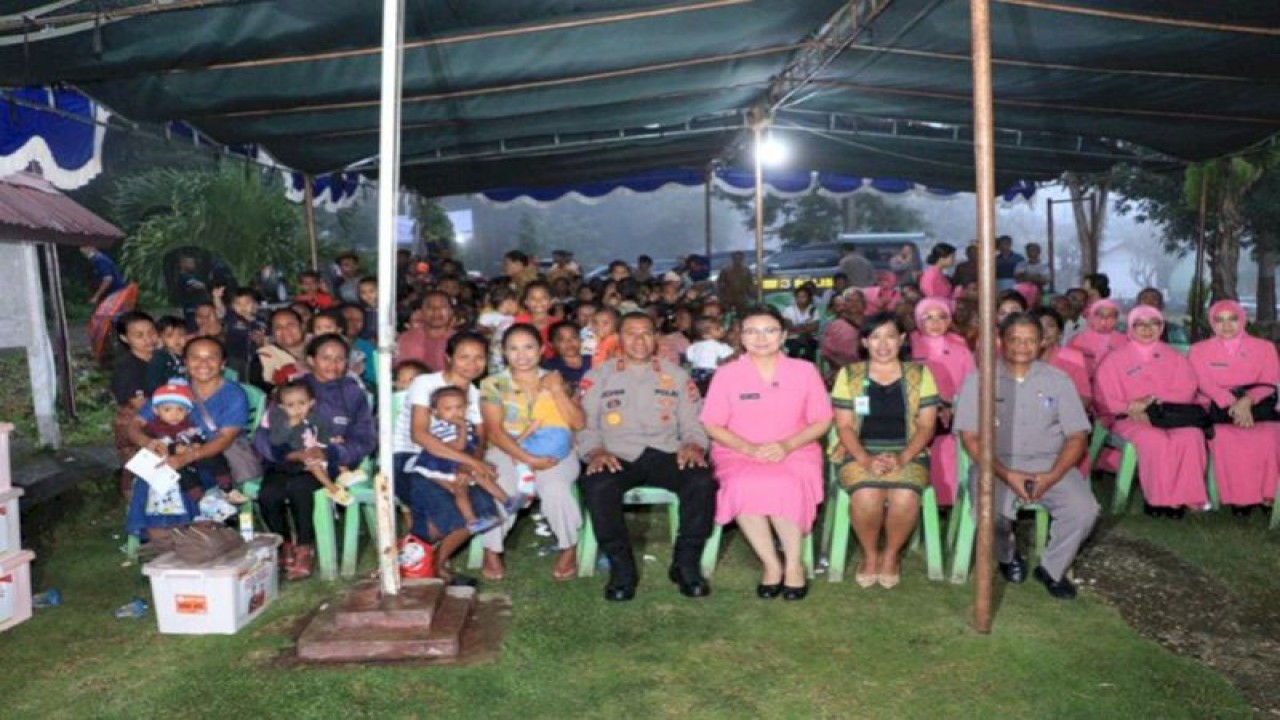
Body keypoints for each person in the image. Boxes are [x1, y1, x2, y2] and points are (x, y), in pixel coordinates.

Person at [954, 312, 1098, 600]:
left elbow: (1077, 436)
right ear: (1000, 342)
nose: (1022, 347)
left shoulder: (1059, 380)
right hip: (995, 463)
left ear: (1042, 342)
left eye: (1030, 340)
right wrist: (1007, 474)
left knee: (1084, 510)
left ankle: (1052, 568)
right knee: (989, 514)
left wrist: (1051, 477)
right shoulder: (980, 379)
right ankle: (1008, 555)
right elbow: (970, 436)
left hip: (1049, 463)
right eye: (1015, 340)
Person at [578, 312, 715, 601]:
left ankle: (685, 563)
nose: (639, 340)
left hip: (665, 452)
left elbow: (693, 424)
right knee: (598, 485)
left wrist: (693, 445)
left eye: (646, 333)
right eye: (631, 333)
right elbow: (584, 426)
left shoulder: (676, 376)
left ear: (656, 338)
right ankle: (622, 569)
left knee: (701, 480)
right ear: (618, 338)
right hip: (616, 454)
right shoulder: (598, 377)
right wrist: (595, 452)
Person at [701, 306, 832, 600]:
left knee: (785, 485)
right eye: (752, 331)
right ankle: (772, 564)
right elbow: (711, 423)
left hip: (796, 449)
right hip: (738, 452)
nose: (761, 338)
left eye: (769, 330)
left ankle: (794, 566)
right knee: (743, 486)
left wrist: (785, 446)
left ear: (784, 335)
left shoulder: (804, 371)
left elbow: (822, 420)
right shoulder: (727, 374)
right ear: (741, 337)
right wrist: (749, 448)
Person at [830, 312, 939, 589]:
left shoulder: (920, 374)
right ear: (864, 342)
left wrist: (902, 457)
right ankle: (869, 555)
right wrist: (865, 459)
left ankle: (890, 556)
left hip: (908, 451)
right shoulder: (849, 375)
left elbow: (926, 427)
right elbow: (844, 427)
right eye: (875, 337)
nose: (883, 344)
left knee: (904, 496)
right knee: (867, 495)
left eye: (890, 336)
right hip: (857, 451)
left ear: (901, 339)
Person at [253, 334, 375, 579]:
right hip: (287, 459)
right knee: (269, 493)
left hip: (327, 463)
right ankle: (284, 544)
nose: (333, 364)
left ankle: (305, 548)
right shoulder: (291, 389)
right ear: (310, 360)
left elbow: (366, 439)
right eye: (326, 358)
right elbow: (264, 434)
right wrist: (287, 454)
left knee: (301, 488)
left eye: (340, 358)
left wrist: (332, 451)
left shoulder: (353, 394)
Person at [479, 324, 585, 582]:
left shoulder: (555, 378)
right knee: (503, 486)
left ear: (541, 350)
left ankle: (568, 546)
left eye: (529, 347)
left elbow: (577, 423)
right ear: (504, 352)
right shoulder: (493, 384)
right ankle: (491, 548)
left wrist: (557, 390)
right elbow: (494, 432)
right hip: (507, 448)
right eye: (513, 348)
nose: (522, 355)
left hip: (554, 449)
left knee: (556, 489)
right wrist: (527, 459)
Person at [393, 332, 497, 585]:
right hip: (410, 459)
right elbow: (420, 436)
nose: (472, 364)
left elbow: (479, 440)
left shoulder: (474, 394)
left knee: (485, 509)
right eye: (464, 357)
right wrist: (471, 463)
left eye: (479, 358)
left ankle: (430, 564)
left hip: (452, 463)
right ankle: (415, 564)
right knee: (447, 508)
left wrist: (466, 465)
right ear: (449, 357)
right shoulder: (425, 384)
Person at [1093, 306, 1208, 517]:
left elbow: (1186, 389)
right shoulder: (1114, 359)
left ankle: (1185, 499)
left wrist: (1151, 404)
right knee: (1154, 440)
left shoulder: (1175, 357)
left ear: (1161, 327)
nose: (1147, 329)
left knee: (1191, 436)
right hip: (1128, 418)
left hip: (1170, 416)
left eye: (1153, 323)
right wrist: (1130, 408)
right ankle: (1159, 500)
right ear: (1130, 327)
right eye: (1140, 324)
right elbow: (1105, 396)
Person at [1190, 300, 1279, 516]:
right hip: (1218, 407)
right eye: (1219, 320)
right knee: (1228, 438)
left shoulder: (1264, 348)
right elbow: (1202, 382)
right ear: (1212, 323)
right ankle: (1240, 499)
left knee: (1269, 435)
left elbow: (1270, 380)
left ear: (1243, 320)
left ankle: (1269, 495)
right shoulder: (1199, 350)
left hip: (1256, 405)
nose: (1226, 325)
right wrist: (1233, 404)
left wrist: (1247, 401)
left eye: (1233, 319)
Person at [405, 386, 516, 533]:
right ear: (435, 412)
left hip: (457, 464)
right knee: (460, 489)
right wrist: (462, 429)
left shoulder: (466, 425)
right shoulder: (440, 428)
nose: (455, 413)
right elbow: (458, 447)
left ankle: (507, 501)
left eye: (459, 408)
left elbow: (472, 447)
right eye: (448, 409)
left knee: (481, 477)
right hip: (438, 467)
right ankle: (472, 521)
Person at [909, 298, 975, 506]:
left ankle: (952, 504)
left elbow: (971, 387)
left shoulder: (962, 351)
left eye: (942, 317)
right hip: (918, 421)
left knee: (951, 465)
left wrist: (953, 407)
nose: (935, 323)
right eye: (928, 318)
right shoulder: (908, 350)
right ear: (919, 321)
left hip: (953, 420)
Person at [125, 382, 205, 542]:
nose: (174, 414)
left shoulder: (189, 428)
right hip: (158, 468)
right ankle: (156, 534)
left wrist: (191, 448)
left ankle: (181, 530)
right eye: (167, 410)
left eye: (180, 410)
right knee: (149, 485)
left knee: (179, 484)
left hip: (185, 467)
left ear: (187, 411)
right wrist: (150, 445)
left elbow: (198, 444)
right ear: (156, 411)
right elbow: (140, 437)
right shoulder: (152, 428)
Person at [264, 380, 362, 508]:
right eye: (290, 405)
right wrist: (289, 426)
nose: (297, 409)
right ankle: (333, 489)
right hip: (300, 460)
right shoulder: (283, 423)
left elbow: (321, 435)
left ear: (311, 403)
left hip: (315, 450)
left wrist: (332, 440)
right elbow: (277, 441)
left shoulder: (313, 419)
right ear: (282, 408)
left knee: (336, 454)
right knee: (315, 465)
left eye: (302, 403)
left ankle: (344, 474)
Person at [111, 312, 159, 497]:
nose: (148, 339)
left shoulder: (162, 359)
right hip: (138, 423)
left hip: (165, 417)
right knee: (140, 473)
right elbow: (141, 405)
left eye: (151, 332)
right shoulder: (127, 368)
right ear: (125, 338)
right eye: (139, 335)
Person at [82, 245, 138, 365]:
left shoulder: (99, 260)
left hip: (116, 297)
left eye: (83, 247)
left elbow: (108, 279)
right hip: (113, 297)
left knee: (111, 323)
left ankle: (118, 352)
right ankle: (110, 351)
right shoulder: (97, 260)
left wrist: (96, 296)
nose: (81, 251)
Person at [1031, 307, 1091, 411]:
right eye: (1038, 325)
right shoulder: (1016, 357)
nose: (1044, 331)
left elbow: (1084, 398)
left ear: (1060, 332)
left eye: (1050, 326)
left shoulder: (1073, 358)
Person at [396, 290, 456, 372]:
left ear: (451, 312)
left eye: (442, 307)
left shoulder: (460, 341)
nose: (436, 311)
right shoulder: (406, 339)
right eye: (430, 307)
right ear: (421, 312)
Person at [1066, 298, 1127, 378]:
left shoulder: (1124, 341)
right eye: (1100, 315)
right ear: (1091, 316)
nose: (1104, 320)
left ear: (1116, 319)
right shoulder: (1077, 340)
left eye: (1110, 316)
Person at [251, 308, 309, 390]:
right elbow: (257, 390)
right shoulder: (263, 356)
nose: (285, 330)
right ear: (272, 333)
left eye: (290, 325)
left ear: (303, 326)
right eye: (278, 327)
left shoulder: (320, 347)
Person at [819, 289, 865, 377]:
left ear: (864, 303)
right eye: (849, 301)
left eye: (857, 301)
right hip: (842, 372)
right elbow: (826, 353)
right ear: (844, 305)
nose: (853, 304)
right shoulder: (834, 326)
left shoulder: (872, 323)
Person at [686, 315, 734, 393]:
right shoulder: (718, 345)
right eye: (717, 329)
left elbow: (690, 357)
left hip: (696, 373)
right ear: (706, 335)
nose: (722, 329)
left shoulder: (694, 346)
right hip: (711, 374)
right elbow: (730, 355)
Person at [542, 320, 593, 394]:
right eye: (561, 339)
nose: (569, 342)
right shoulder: (549, 367)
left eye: (574, 337)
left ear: (581, 339)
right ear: (551, 344)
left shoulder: (595, 360)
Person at [145, 316, 188, 394]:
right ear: (160, 338)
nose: (177, 339)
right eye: (170, 336)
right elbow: (153, 384)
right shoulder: (159, 359)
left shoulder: (189, 355)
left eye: (181, 334)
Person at [780, 284, 820, 361]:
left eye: (803, 297)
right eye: (798, 297)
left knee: (810, 348)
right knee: (794, 348)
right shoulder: (788, 310)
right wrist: (806, 327)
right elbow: (789, 327)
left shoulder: (813, 310)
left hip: (810, 338)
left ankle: (809, 369)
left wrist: (798, 328)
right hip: (791, 339)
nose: (800, 299)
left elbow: (814, 327)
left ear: (808, 298)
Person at [716, 251, 755, 316]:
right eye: (736, 258)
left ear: (742, 259)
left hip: (741, 298)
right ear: (732, 259)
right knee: (727, 316)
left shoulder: (746, 270)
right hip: (728, 298)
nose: (738, 260)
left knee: (742, 316)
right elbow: (720, 284)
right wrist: (722, 297)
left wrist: (752, 294)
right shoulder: (726, 270)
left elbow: (750, 284)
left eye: (740, 258)